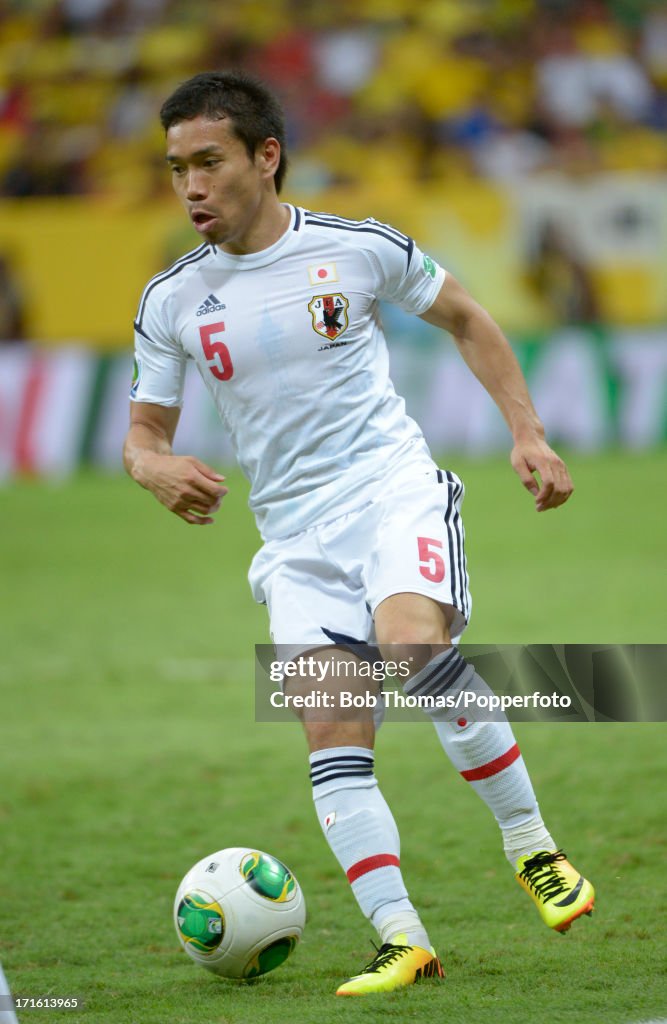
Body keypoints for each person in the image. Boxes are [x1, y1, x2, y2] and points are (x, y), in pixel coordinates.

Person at [123, 71, 595, 997]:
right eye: (177, 168)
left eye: (208, 163)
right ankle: (401, 939)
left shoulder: (356, 248)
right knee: (333, 730)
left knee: (411, 645)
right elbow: (143, 436)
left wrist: (527, 433)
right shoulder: (172, 299)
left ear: (266, 157)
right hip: (292, 539)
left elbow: (465, 315)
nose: (191, 187)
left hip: (390, 492)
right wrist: (154, 467)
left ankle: (532, 848)